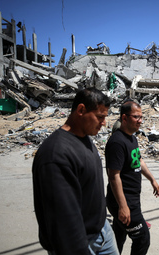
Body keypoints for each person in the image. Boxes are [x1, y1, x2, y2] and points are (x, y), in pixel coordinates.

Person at [32, 88, 119, 255]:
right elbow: (63, 221)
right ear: (81, 110)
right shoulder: (56, 155)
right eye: (100, 117)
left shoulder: (84, 138)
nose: (104, 123)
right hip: (80, 242)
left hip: (102, 232)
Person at [105, 101, 159, 255]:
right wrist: (123, 206)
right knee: (142, 238)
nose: (140, 120)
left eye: (141, 117)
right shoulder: (117, 142)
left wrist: (152, 180)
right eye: (136, 117)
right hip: (124, 201)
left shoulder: (132, 138)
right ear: (124, 117)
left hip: (131, 199)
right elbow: (113, 176)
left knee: (118, 237)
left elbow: (139, 160)